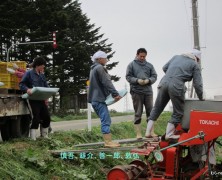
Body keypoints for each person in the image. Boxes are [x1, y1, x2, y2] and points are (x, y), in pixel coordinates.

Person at [145, 49, 204, 140]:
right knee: (178, 111)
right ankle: (169, 134)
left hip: (163, 82)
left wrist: (171, 75)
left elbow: (164, 67)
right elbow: (197, 84)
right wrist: (201, 97)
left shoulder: (176, 57)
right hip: (176, 86)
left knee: (157, 108)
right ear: (196, 58)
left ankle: (147, 132)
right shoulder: (194, 64)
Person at [88, 50, 121, 148]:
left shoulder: (93, 69)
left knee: (105, 119)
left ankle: (108, 141)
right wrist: (115, 94)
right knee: (106, 120)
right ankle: (108, 142)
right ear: (100, 59)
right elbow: (107, 82)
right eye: (105, 58)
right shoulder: (100, 68)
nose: (106, 60)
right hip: (99, 99)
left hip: (94, 99)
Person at [126, 48, 157, 139]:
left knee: (151, 112)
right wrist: (137, 80)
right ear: (137, 55)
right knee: (138, 112)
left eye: (144, 56)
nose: (142, 58)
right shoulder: (131, 65)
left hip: (148, 92)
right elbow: (128, 77)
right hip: (136, 91)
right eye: (141, 56)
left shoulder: (150, 65)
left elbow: (154, 76)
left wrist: (149, 80)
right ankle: (138, 133)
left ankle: (151, 132)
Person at [19, 56, 51, 140]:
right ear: (37, 65)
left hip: (41, 99)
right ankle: (33, 138)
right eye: (43, 65)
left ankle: (44, 136)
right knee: (35, 117)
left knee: (47, 117)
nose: (44, 67)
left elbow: (46, 86)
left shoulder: (42, 75)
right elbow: (21, 84)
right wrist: (27, 89)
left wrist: (48, 95)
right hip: (32, 99)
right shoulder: (29, 73)